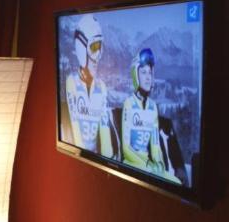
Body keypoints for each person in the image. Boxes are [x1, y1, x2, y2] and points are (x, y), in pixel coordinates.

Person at [121, 48, 180, 184]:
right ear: (136, 75)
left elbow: (155, 145)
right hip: (131, 163)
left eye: (150, 72)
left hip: (148, 167)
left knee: (176, 183)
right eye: (143, 72)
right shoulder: (129, 104)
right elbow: (126, 149)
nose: (148, 77)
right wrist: (147, 165)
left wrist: (159, 164)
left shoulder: (153, 107)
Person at [65, 14, 116, 159]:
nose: (98, 56)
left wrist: (108, 160)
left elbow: (105, 138)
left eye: (100, 47)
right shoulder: (72, 82)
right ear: (82, 49)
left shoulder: (102, 87)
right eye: (94, 47)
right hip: (77, 158)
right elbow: (75, 130)